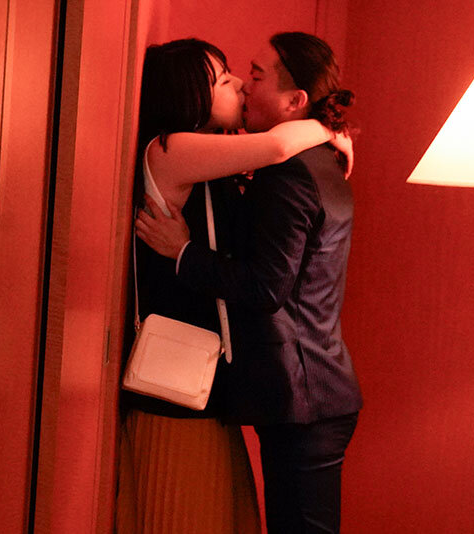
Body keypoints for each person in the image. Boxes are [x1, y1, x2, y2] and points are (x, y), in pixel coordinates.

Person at [117, 37, 352, 534]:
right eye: (224, 79)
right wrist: (327, 129)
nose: (242, 84)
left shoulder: (218, 161)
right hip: (179, 386)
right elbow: (278, 145)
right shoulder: (171, 149)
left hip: (209, 387)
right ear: (190, 95)